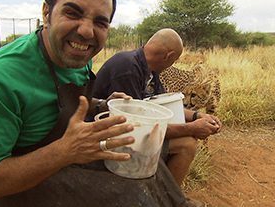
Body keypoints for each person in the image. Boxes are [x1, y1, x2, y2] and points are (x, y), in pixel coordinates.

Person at [0, 0, 195, 207]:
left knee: (143, 160)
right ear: (46, 12)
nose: (86, 31)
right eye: (73, 13)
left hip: (64, 162)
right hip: (10, 194)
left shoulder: (77, 56)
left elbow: (61, 103)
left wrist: (102, 105)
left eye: (100, 22)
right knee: (130, 192)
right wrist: (65, 151)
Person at [93, 28, 222, 206]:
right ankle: (168, 201)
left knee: (185, 138)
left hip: (126, 132)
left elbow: (160, 108)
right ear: (168, 56)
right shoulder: (128, 68)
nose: (172, 65)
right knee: (186, 144)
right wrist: (191, 128)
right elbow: (137, 128)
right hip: (109, 138)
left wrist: (197, 116)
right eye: (175, 60)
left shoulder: (148, 70)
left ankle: (164, 196)